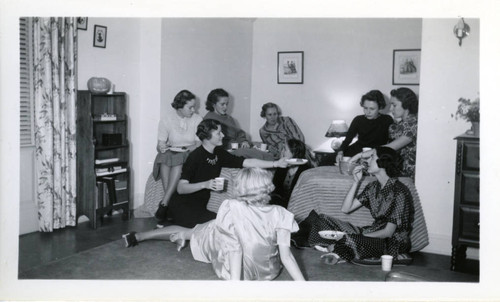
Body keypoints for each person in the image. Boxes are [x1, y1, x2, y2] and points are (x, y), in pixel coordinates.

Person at [122, 167, 305, 281]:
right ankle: (179, 236)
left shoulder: (232, 207)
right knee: (209, 227)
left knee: (198, 231)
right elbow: (287, 257)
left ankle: (146, 236)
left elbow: (235, 250)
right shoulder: (282, 213)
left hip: (239, 272)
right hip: (268, 273)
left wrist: (235, 289)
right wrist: (306, 289)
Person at [153, 119, 289, 229]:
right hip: (183, 205)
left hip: (199, 206)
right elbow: (181, 189)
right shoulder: (195, 156)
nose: (223, 135)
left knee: (222, 223)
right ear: (207, 137)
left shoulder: (219, 153)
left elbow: (247, 162)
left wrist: (275, 164)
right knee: (217, 225)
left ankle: (173, 228)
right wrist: (206, 184)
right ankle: (153, 233)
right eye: (219, 133)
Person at [292, 147, 414, 264]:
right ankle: (336, 247)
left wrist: (357, 235)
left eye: (372, 157)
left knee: (349, 239)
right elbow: (346, 208)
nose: (367, 161)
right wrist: (356, 182)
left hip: (391, 242)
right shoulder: (373, 187)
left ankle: (337, 250)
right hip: (371, 232)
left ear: (383, 162)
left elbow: (388, 232)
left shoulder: (399, 192)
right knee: (322, 219)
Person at [153, 90, 203, 225]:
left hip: (191, 151)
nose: (193, 110)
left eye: (194, 107)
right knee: (163, 156)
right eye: (190, 107)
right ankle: (168, 203)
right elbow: (160, 144)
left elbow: (199, 144)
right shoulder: (166, 120)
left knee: (178, 160)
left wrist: (185, 149)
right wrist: (161, 147)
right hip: (172, 152)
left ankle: (164, 203)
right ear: (179, 107)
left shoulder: (198, 120)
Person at [349, 87, 418, 179]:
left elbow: (389, 148)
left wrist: (359, 155)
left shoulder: (413, 124)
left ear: (406, 105)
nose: (391, 109)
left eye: (394, 105)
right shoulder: (400, 124)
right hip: (393, 169)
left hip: (405, 174)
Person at [318, 90, 393, 166]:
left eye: (372, 109)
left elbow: (392, 142)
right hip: (357, 150)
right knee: (326, 160)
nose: (368, 112)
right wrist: (340, 152)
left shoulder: (387, 120)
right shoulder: (358, 120)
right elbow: (347, 140)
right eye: (365, 108)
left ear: (380, 107)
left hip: (376, 153)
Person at [270, 139, 313, 209]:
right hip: (279, 205)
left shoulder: (305, 171)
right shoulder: (281, 167)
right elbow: (275, 189)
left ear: (293, 153)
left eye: (285, 149)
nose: (282, 151)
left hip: (297, 206)